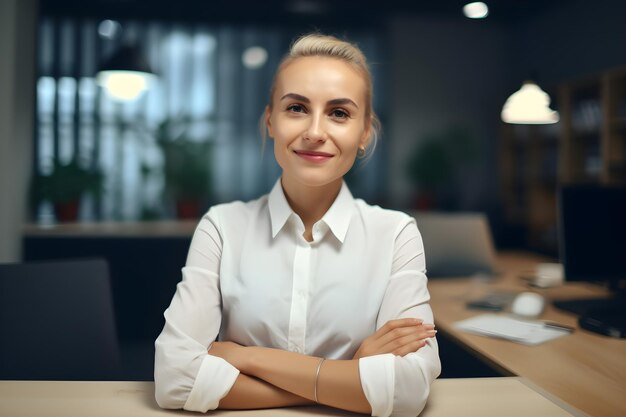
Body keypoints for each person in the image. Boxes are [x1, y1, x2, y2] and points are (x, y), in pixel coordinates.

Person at [154, 33, 441, 417]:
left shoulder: (395, 233)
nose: (315, 132)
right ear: (270, 120)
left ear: (364, 132)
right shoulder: (222, 226)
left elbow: (408, 391)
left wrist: (249, 359)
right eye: (296, 108)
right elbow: (174, 379)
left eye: (339, 113)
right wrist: (350, 378)